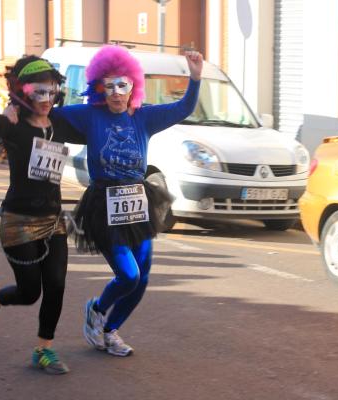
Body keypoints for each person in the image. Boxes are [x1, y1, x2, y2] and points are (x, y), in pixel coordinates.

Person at [53, 45, 203, 356]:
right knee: (128, 274)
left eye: (122, 84)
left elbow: (183, 108)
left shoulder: (144, 117)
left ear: (133, 85)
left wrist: (196, 77)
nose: (116, 93)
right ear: (99, 88)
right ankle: (97, 309)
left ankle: (110, 330)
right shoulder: (90, 115)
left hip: (137, 201)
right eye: (109, 85)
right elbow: (48, 115)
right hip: (104, 205)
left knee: (142, 277)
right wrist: (20, 103)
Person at [0, 55, 86, 374]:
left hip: (53, 220)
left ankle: (43, 350)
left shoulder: (59, 123)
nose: (46, 99)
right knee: (30, 292)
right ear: (24, 93)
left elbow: (93, 124)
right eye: (38, 92)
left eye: (51, 92)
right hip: (18, 222)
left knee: (57, 285)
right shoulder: (14, 126)